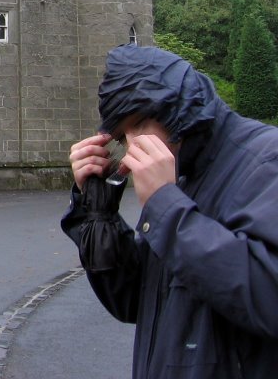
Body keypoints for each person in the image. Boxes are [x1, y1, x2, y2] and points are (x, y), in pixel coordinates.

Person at [61, 44, 278, 378]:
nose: (132, 146)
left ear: (178, 108)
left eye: (142, 122)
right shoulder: (183, 175)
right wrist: (98, 212)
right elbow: (134, 301)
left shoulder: (265, 160)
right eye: (122, 134)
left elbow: (268, 297)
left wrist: (165, 207)